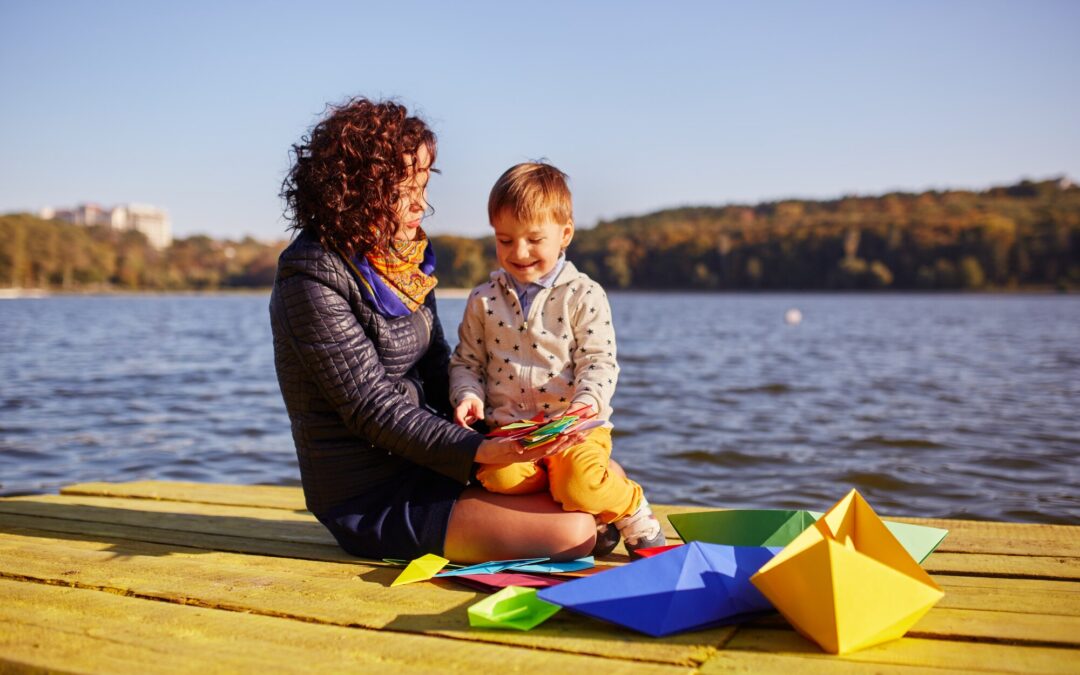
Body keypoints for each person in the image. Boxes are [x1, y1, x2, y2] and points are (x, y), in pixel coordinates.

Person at [270, 98, 596, 564]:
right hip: (373, 493)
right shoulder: (308, 278)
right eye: (405, 189)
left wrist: (508, 426)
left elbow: (439, 360)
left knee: (588, 483)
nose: (421, 203)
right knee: (576, 533)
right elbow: (372, 408)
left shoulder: (401, 260)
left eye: (423, 184)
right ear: (357, 189)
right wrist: (481, 451)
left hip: (437, 455)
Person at [449, 162, 666, 557]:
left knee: (578, 483)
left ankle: (630, 506)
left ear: (564, 234)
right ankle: (586, 514)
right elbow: (466, 362)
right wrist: (467, 395)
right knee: (497, 479)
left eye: (534, 239)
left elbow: (599, 362)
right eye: (505, 240)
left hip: (574, 429)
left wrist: (587, 404)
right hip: (513, 432)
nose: (519, 252)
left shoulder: (584, 295)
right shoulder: (483, 299)